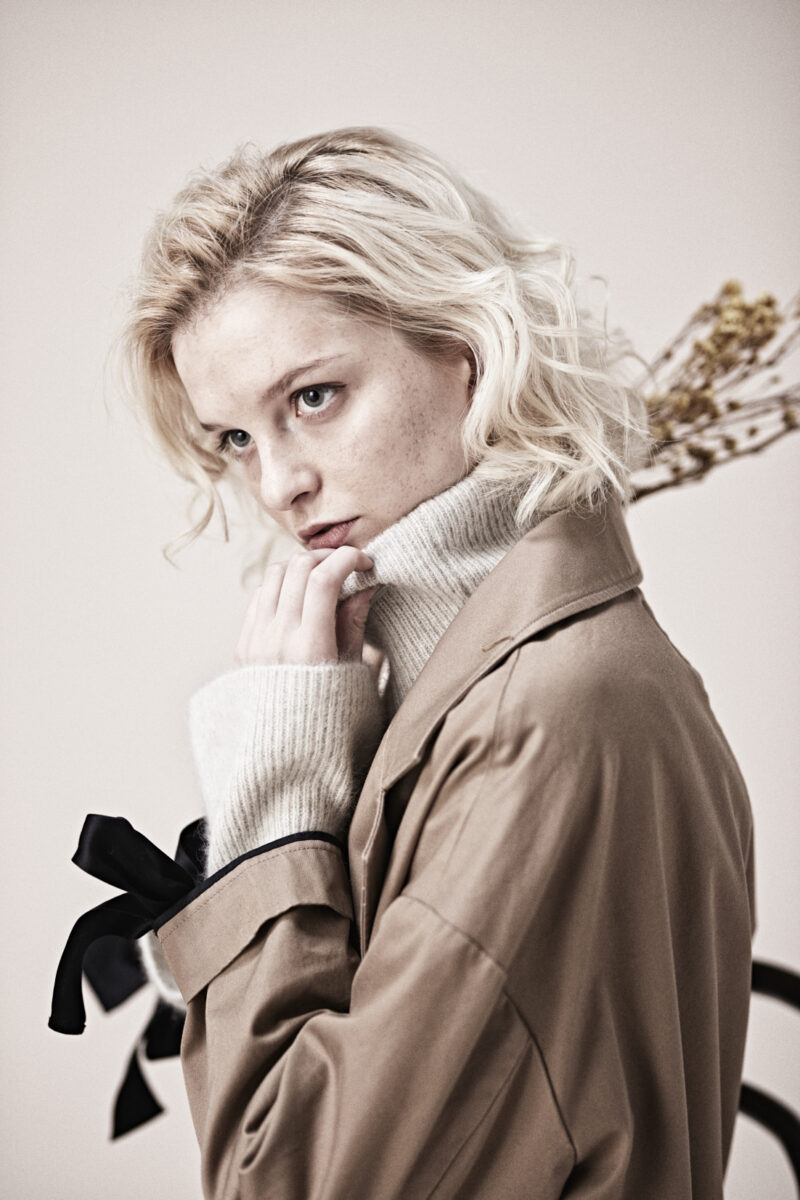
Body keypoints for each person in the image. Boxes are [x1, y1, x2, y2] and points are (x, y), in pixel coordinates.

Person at [119, 127, 754, 1197]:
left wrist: (277, 799)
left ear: (465, 346)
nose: (277, 485)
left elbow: (287, 1179)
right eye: (235, 439)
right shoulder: (479, 685)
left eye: (312, 397)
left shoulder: (541, 717)